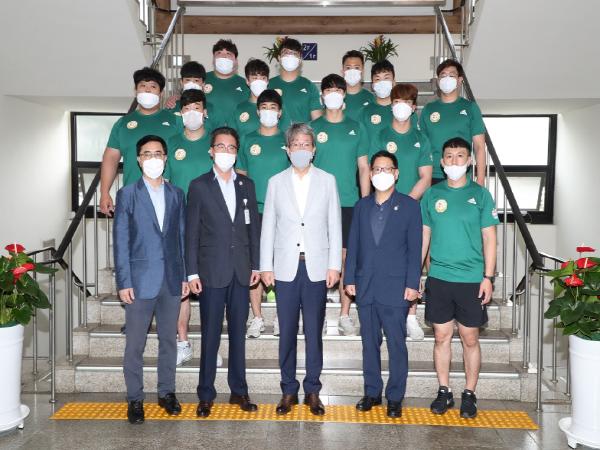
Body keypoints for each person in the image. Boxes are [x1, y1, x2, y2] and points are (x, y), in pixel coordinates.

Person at [260, 122, 342, 416]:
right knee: (286, 332)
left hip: (317, 267)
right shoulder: (275, 182)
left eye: (306, 144)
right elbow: (268, 226)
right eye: (296, 144)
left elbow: (334, 224)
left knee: (313, 332)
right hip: (285, 268)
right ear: (288, 149)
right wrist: (265, 266)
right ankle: (288, 389)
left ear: (314, 150)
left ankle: (313, 390)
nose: (301, 149)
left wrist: (334, 265)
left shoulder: (328, 181)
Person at [421, 137, 499, 419]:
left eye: (460, 156)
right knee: (441, 336)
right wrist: (417, 273)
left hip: (471, 279)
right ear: (441, 162)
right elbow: (424, 236)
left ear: (470, 160)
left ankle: (469, 393)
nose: (454, 161)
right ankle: (444, 390)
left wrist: (488, 277)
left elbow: (490, 238)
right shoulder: (431, 195)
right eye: (449, 156)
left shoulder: (481, 195)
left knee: (470, 337)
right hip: (439, 277)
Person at [185, 127, 261, 418]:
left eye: (231, 148)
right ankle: (206, 393)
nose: (226, 152)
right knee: (210, 335)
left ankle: (239, 390)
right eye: (221, 146)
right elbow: (191, 233)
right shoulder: (199, 186)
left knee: (238, 335)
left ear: (236, 152)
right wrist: (192, 273)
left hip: (241, 271)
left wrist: (256, 265)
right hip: (211, 272)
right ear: (211, 151)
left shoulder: (246, 185)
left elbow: (253, 228)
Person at [113, 135, 188, 424]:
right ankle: (135, 399)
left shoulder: (176, 194)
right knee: (135, 344)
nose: (153, 158)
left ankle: (166, 393)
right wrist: (123, 282)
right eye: (147, 154)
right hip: (139, 281)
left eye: (158, 153)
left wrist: (184, 275)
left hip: (171, 280)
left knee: (168, 340)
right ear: (138, 159)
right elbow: (121, 241)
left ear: (165, 158)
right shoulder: (127, 194)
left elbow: (181, 238)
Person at [344, 150, 422, 418]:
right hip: (365, 285)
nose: (381, 174)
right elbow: (353, 244)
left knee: (396, 344)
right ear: (370, 174)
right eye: (376, 169)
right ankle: (372, 392)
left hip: (396, 287)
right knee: (369, 343)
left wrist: (413, 284)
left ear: (396, 174)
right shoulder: (361, 206)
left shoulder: (410, 206)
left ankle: (395, 397)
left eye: (386, 169)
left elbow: (415, 249)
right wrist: (349, 278)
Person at [164, 88, 222, 367]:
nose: (192, 113)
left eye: (196, 108)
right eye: (186, 109)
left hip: (211, 224)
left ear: (205, 112)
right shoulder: (171, 142)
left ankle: (213, 344)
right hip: (179, 222)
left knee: (212, 287)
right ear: (180, 113)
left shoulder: (214, 143)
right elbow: (163, 184)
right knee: (182, 285)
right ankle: (183, 342)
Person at [370, 83, 433, 340]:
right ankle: (380, 311)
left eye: (406, 102)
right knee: (382, 260)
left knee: (412, 261)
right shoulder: (381, 135)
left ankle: (410, 315)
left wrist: (404, 203)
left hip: (411, 207)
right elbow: (375, 171)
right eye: (396, 101)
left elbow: (426, 176)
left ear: (414, 107)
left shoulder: (421, 138)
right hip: (382, 209)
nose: (401, 106)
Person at [311, 74, 370, 336]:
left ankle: (345, 314)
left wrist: (366, 203)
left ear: (344, 94)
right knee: (319, 257)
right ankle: (319, 313)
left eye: (338, 90)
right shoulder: (312, 128)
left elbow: (364, 167)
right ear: (322, 95)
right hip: (317, 204)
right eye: (328, 90)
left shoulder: (357, 127)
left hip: (348, 202)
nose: (333, 94)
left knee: (347, 258)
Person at [236, 89, 289, 338]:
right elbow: (241, 176)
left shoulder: (288, 140)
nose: (268, 112)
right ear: (257, 112)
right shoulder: (247, 139)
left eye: (273, 107)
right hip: (253, 211)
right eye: (264, 107)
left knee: (281, 263)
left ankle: (280, 316)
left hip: (282, 212)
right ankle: (256, 317)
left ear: (280, 112)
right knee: (254, 264)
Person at [100, 67, 179, 215]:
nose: (147, 90)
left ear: (161, 93)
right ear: (136, 91)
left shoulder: (176, 121)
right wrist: (104, 192)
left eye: (153, 86)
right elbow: (110, 158)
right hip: (133, 198)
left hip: (169, 197)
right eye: (143, 85)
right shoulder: (122, 124)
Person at [419, 59, 487, 185]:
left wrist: (481, 179)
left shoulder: (470, 108)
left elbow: (479, 146)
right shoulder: (428, 109)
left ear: (460, 80)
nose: (447, 78)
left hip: (462, 174)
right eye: (443, 75)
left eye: (451, 75)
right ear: (438, 81)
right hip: (433, 175)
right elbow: (422, 146)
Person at [268, 37, 322, 129]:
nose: (290, 56)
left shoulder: (309, 86)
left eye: (294, 53)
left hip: (301, 137)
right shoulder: (268, 85)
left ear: (300, 60)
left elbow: (317, 122)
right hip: (275, 137)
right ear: (279, 58)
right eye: (286, 53)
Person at [203, 39, 250, 127]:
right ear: (213, 59)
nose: (224, 56)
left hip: (236, 133)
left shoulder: (246, 84)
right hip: (206, 133)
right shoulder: (201, 80)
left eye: (228, 53)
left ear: (236, 60)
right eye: (219, 53)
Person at [229, 58, 271, 138]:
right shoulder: (238, 108)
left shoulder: (275, 107)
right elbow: (232, 137)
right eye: (255, 78)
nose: (259, 82)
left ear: (267, 81)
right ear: (247, 81)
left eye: (263, 78)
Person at [341, 50, 375, 121]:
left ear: (362, 71)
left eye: (356, 68)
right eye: (348, 68)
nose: (352, 71)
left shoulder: (371, 98)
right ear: (343, 71)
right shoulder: (335, 97)